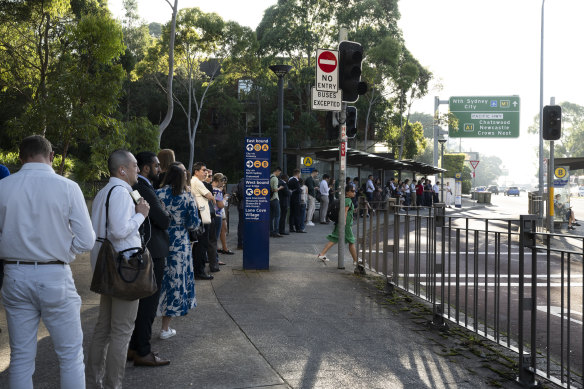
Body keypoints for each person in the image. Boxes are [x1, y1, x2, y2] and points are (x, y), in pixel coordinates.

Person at [0, 135, 95, 388]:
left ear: (20, 157)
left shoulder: (3, 187)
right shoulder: (67, 187)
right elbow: (87, 240)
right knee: (70, 356)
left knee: (20, 358)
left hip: (15, 274)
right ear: (51, 156)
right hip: (54, 274)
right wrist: (64, 252)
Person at [87, 149, 151, 389]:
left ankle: (94, 382)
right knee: (121, 331)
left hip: (107, 266)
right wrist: (141, 216)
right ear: (122, 169)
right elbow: (119, 231)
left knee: (104, 328)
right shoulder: (122, 193)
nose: (138, 169)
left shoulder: (104, 192)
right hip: (124, 269)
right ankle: (114, 385)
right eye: (134, 165)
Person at [128, 151, 171, 367]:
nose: (159, 170)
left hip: (148, 251)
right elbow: (163, 219)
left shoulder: (140, 188)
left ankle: (135, 347)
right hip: (153, 253)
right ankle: (142, 351)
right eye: (156, 166)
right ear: (146, 168)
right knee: (148, 305)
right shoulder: (142, 188)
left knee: (143, 304)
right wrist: (165, 212)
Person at [156, 163, 199, 339]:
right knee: (175, 282)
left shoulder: (157, 194)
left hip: (160, 240)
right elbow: (193, 224)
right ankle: (165, 328)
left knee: (159, 280)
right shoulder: (186, 197)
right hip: (180, 242)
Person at [316, 185, 361, 265]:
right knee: (351, 241)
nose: (354, 193)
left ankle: (322, 254)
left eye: (354, 191)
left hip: (341, 223)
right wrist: (343, 223)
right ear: (347, 192)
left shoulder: (345, 200)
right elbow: (344, 212)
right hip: (345, 225)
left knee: (334, 239)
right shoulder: (348, 200)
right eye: (352, 191)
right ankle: (355, 261)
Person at [191, 162, 217, 280]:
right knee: (202, 245)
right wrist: (212, 198)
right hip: (202, 217)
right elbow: (209, 195)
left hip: (200, 216)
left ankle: (198, 270)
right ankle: (200, 271)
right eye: (203, 170)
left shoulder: (195, 181)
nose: (206, 172)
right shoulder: (197, 182)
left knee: (199, 246)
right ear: (196, 172)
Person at [211, 173, 226, 264]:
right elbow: (220, 205)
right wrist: (225, 199)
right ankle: (215, 260)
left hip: (211, 214)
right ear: (219, 181)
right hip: (217, 215)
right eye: (222, 181)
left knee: (211, 238)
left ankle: (211, 258)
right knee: (215, 239)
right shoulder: (218, 191)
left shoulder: (210, 189)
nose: (223, 184)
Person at [288, 169, 304, 233]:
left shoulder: (290, 180)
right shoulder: (296, 181)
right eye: (299, 174)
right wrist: (300, 190)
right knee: (297, 214)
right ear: (297, 174)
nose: (300, 175)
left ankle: (291, 228)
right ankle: (298, 228)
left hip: (291, 199)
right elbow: (299, 190)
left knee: (291, 214)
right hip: (296, 200)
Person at [269, 167, 283, 237]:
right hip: (274, 198)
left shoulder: (269, 177)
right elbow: (274, 189)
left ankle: (271, 231)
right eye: (279, 172)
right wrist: (280, 188)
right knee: (277, 215)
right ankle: (276, 231)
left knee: (271, 216)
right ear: (277, 171)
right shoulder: (275, 178)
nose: (279, 174)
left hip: (269, 199)